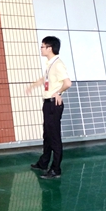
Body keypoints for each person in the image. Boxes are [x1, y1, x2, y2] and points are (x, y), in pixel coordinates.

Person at [25, 36, 72, 179]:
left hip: (53, 104)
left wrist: (59, 92)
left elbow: (67, 83)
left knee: (54, 137)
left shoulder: (58, 64)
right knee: (47, 135)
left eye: (42, 46)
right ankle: (43, 163)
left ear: (49, 48)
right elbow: (45, 79)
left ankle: (56, 169)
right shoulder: (50, 63)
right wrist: (32, 86)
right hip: (47, 103)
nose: (41, 49)